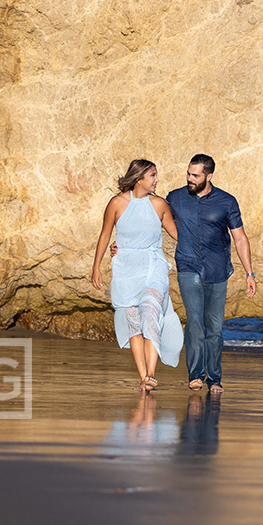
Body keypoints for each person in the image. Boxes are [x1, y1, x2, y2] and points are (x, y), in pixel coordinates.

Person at [166, 154, 257, 394]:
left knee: (214, 327)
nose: (190, 179)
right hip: (188, 266)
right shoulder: (175, 198)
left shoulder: (227, 202)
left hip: (217, 270)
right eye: (188, 173)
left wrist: (250, 273)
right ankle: (195, 375)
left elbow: (239, 237)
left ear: (209, 176)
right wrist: (122, 245)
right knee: (194, 321)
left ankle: (214, 378)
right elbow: (153, 223)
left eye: (195, 175)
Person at [92, 160, 183, 391]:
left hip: (153, 267)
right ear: (139, 178)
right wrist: (96, 266)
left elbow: (178, 235)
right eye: (153, 175)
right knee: (134, 324)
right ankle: (143, 377)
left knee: (151, 313)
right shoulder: (116, 203)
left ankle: (152, 373)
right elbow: (105, 235)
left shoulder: (160, 204)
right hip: (125, 268)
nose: (156, 180)